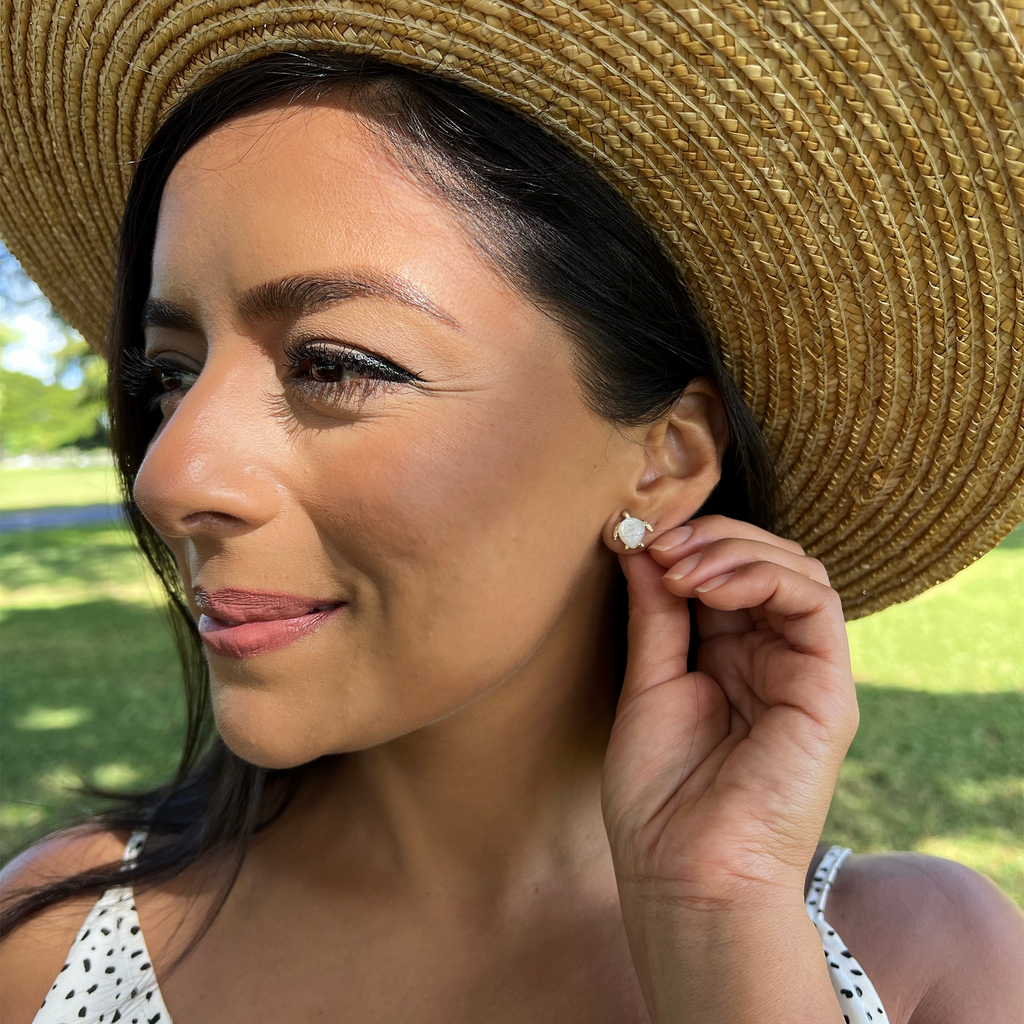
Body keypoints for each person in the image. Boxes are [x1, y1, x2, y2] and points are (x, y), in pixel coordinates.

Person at [1, 7, 1023, 1024]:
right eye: (171, 374)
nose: (168, 476)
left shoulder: (930, 969)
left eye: (333, 365)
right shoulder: (49, 951)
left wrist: (721, 924)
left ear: (664, 460)